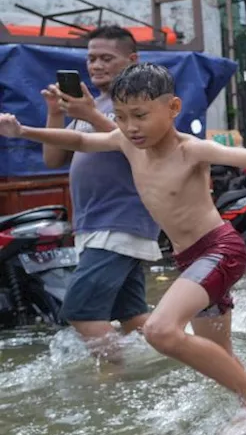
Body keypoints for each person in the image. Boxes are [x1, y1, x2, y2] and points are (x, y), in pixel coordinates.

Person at [0, 64, 246, 420]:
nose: (130, 127)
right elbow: (79, 140)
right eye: (121, 116)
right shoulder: (126, 143)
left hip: (220, 250)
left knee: (160, 331)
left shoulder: (191, 150)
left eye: (140, 115)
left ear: (172, 108)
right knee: (219, 352)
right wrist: (22, 131)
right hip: (189, 259)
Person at [39, 26, 160, 356]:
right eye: (91, 58)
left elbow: (138, 147)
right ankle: (177, 359)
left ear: (132, 61)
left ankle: (112, 378)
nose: (96, 65)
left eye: (107, 58)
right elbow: (53, 159)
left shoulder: (137, 101)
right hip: (95, 224)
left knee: (80, 310)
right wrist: (55, 112)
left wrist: (90, 114)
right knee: (132, 315)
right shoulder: (90, 105)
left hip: (121, 222)